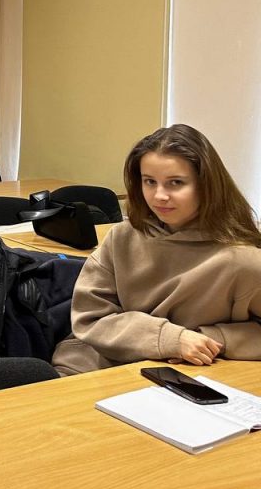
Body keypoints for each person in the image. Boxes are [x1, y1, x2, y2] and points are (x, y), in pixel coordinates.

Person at [52, 124, 261, 376]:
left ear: (206, 186)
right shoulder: (123, 237)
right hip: (92, 367)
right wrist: (170, 338)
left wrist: (213, 339)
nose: (159, 195)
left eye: (176, 183)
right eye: (150, 181)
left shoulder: (244, 261)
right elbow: (90, 318)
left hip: (185, 377)